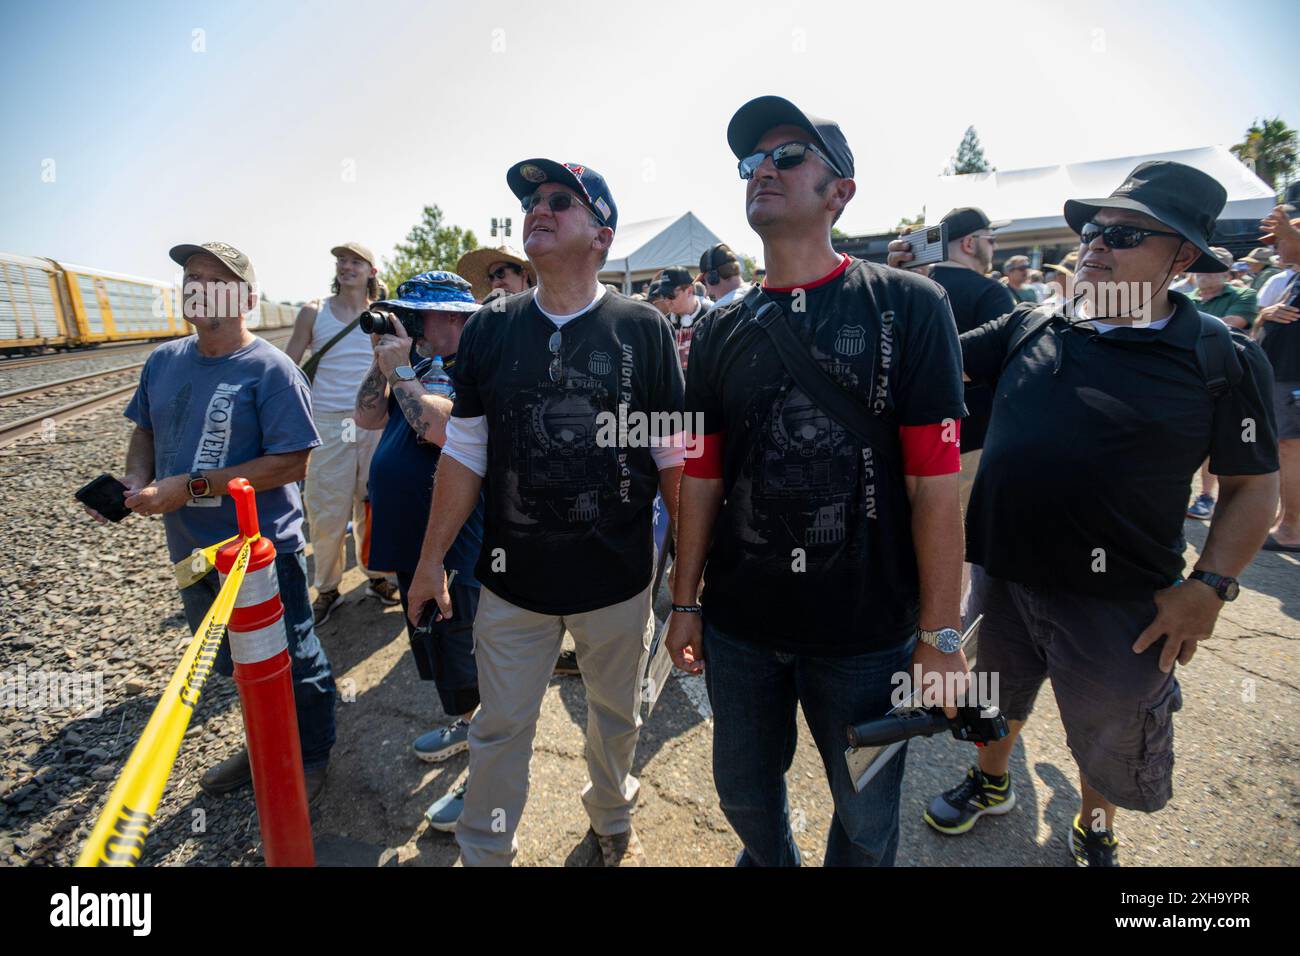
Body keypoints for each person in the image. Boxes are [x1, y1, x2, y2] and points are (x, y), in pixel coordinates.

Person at [892, 161, 1280, 866]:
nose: (1097, 245)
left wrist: (1211, 586)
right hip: (1004, 579)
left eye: (1125, 234)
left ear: (1183, 255)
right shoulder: (1035, 322)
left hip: (1121, 605)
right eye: (1093, 230)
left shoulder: (1219, 357)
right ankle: (990, 783)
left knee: (1105, 732)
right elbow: (931, 360)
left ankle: (1096, 822)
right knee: (993, 701)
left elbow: (1253, 487)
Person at [669, 95, 969, 867]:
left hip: (867, 635)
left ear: (841, 192)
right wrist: (685, 600)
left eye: (787, 155)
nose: (761, 170)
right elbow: (700, 475)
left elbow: (936, 483)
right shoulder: (717, 329)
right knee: (741, 790)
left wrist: (940, 637)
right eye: (750, 161)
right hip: (741, 627)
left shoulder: (910, 305)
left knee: (867, 819)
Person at [406, 158, 685, 866]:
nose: (540, 209)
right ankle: (486, 849)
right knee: (499, 729)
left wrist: (691, 584)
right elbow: (464, 453)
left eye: (561, 200)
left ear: (602, 234)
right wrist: (431, 562)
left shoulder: (642, 329)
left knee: (615, 722)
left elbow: (674, 461)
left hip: (616, 583)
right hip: (512, 585)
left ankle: (611, 817)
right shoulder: (492, 330)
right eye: (532, 201)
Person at [90, 241, 337, 802]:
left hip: (260, 552)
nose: (196, 288)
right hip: (191, 552)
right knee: (232, 662)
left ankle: (312, 757)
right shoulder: (164, 361)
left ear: (245, 298)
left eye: (213, 279)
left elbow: (292, 462)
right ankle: (263, 749)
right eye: (190, 278)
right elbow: (145, 431)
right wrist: (135, 479)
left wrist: (194, 485)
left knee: (294, 658)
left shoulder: (272, 371)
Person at [351, 271, 485, 831]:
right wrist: (382, 362)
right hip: (414, 546)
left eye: (413, 316)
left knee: (471, 652)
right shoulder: (410, 366)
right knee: (434, 645)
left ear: (453, 318)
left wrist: (401, 368)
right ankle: (463, 725)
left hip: (455, 547)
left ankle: (487, 781)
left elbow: (438, 428)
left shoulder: (474, 369)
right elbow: (366, 416)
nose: (405, 325)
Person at [285, 242, 399, 626]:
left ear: (372, 271)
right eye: (341, 261)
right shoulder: (314, 312)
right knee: (326, 510)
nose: (346, 267)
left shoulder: (382, 315)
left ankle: (377, 574)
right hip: (329, 423)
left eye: (355, 261)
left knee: (373, 504)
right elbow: (290, 372)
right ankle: (328, 587)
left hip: (373, 420)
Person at [907, 207, 1016, 496]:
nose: (994, 247)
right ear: (970, 243)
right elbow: (1011, 367)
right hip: (972, 441)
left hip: (911, 438)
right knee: (965, 535)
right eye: (991, 239)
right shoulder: (991, 292)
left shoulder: (907, 288)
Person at [1254, 208, 1300, 552]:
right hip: (1280, 374)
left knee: (1290, 449)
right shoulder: (1292, 278)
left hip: (1292, 377)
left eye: (1280, 241)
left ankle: (1292, 529)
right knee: (1285, 449)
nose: (1276, 249)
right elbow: (1263, 321)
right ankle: (1287, 518)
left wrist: (1293, 232)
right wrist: (1265, 316)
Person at [1189, 247, 1258, 331]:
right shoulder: (1183, 298)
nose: (1204, 268)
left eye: (1212, 264)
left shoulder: (1243, 294)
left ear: (1227, 272)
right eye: (1200, 263)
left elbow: (1230, 325)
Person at [455, 245, 535, 303]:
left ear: (524, 275)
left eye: (500, 273)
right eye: (491, 278)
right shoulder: (488, 318)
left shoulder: (544, 310)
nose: (495, 283)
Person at [698, 243, 750, 310]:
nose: (709, 290)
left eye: (704, 281)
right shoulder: (759, 294)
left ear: (712, 278)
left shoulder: (718, 311)